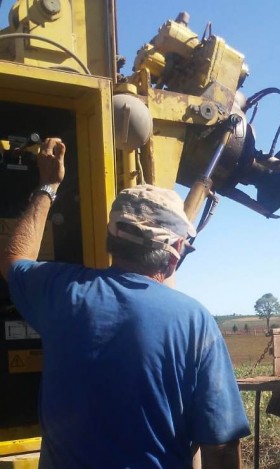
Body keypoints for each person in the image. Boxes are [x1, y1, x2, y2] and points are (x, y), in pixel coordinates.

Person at [0, 138, 250, 468]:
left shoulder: (62, 292)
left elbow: (14, 258)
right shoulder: (194, 321)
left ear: (111, 239)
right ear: (174, 252)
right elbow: (220, 447)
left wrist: (48, 184)